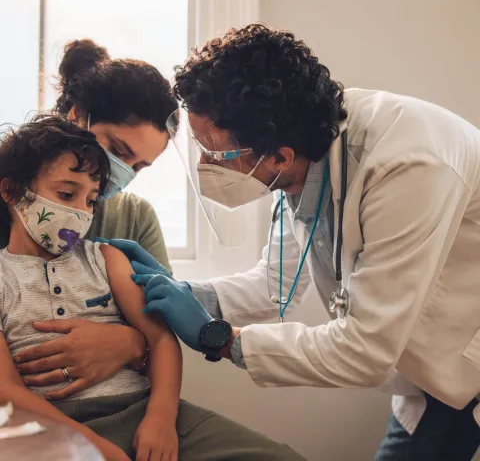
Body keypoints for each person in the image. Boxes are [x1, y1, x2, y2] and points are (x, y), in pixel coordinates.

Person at [107, 24, 480, 460]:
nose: (206, 165)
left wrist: (221, 339)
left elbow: (365, 351)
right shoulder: (298, 162)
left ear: (279, 154)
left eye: (214, 153)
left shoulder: (406, 165)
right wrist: (191, 294)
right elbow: (275, 283)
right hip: (428, 369)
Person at [8, 39, 305, 460]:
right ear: (77, 116)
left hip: (133, 405)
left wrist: (127, 345)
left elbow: (163, 329)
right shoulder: (16, 205)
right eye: (117, 150)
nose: (120, 174)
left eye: (140, 167)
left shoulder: (131, 222)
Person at [0, 115, 181, 461]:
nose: (82, 212)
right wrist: (89, 442)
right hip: (47, 424)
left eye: (91, 200)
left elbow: (160, 338)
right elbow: (5, 389)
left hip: (138, 407)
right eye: (67, 194)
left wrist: (161, 417)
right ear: (11, 191)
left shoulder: (106, 257)